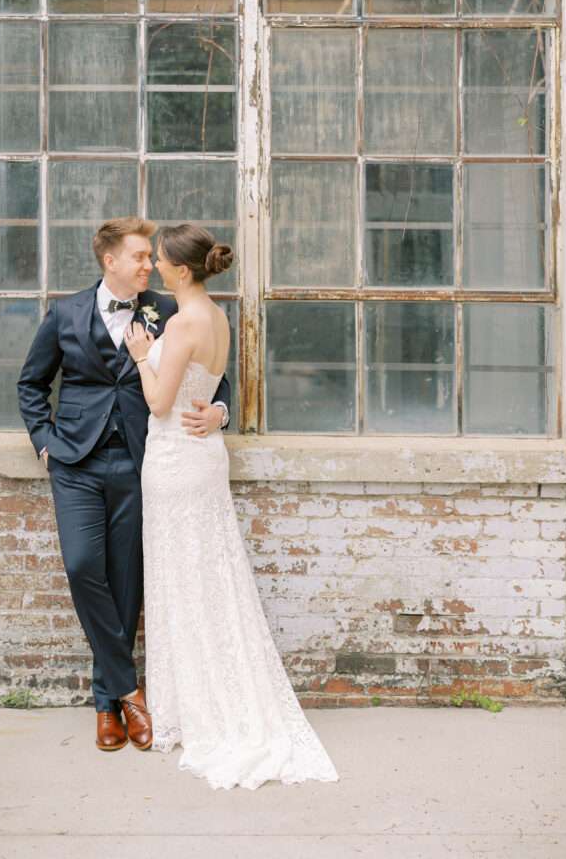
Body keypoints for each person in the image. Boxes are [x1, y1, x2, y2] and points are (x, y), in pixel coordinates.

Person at [125, 223, 339, 790]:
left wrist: (144, 355)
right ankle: (206, 693)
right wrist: (218, 412)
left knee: (180, 579)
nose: (156, 267)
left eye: (162, 260)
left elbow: (159, 401)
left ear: (182, 270)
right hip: (203, 457)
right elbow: (210, 389)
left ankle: (196, 707)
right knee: (209, 577)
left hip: (174, 461)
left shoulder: (182, 321)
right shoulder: (216, 317)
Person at [17, 218, 231, 753]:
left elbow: (213, 373)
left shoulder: (171, 307)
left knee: (127, 582)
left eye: (149, 257)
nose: (146, 265)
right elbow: (31, 384)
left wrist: (220, 411)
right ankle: (129, 691)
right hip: (76, 463)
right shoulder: (65, 312)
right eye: (137, 256)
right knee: (83, 566)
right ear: (109, 260)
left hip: (143, 462)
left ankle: (106, 707)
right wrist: (45, 442)